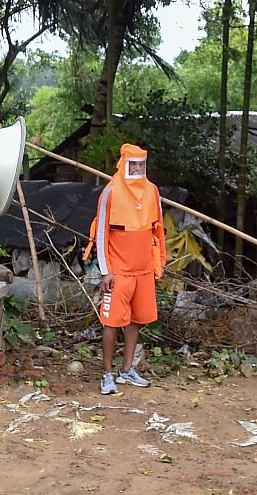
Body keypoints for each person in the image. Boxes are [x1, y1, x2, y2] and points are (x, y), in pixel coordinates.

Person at [85, 143, 167, 395]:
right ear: (123, 163)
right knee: (111, 322)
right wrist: (105, 271)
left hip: (143, 270)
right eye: (134, 165)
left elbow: (157, 230)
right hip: (118, 271)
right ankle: (107, 374)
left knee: (136, 321)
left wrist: (157, 263)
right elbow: (101, 233)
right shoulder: (110, 192)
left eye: (141, 165)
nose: (138, 170)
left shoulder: (152, 191)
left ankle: (127, 370)